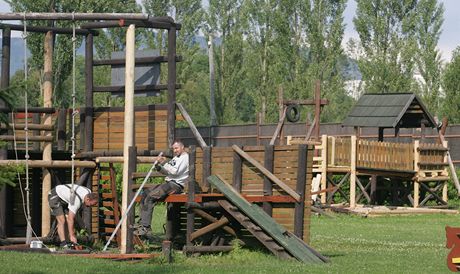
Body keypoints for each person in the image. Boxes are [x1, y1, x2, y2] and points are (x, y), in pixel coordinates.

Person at [135, 140, 189, 236]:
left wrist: (164, 162)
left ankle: (146, 227)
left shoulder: (185, 158)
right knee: (145, 193)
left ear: (182, 147)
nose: (175, 150)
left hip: (176, 186)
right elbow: (167, 172)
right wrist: (158, 167)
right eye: (173, 149)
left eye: (176, 148)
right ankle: (142, 223)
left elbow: (174, 172)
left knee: (151, 196)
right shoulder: (176, 158)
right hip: (169, 183)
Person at [48, 184, 98, 248]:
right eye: (91, 204)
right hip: (55, 195)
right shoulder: (76, 200)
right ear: (88, 199)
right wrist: (72, 235)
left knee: (66, 219)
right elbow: (70, 219)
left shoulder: (89, 191)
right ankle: (63, 244)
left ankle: (68, 242)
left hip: (65, 199)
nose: (90, 207)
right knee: (62, 220)